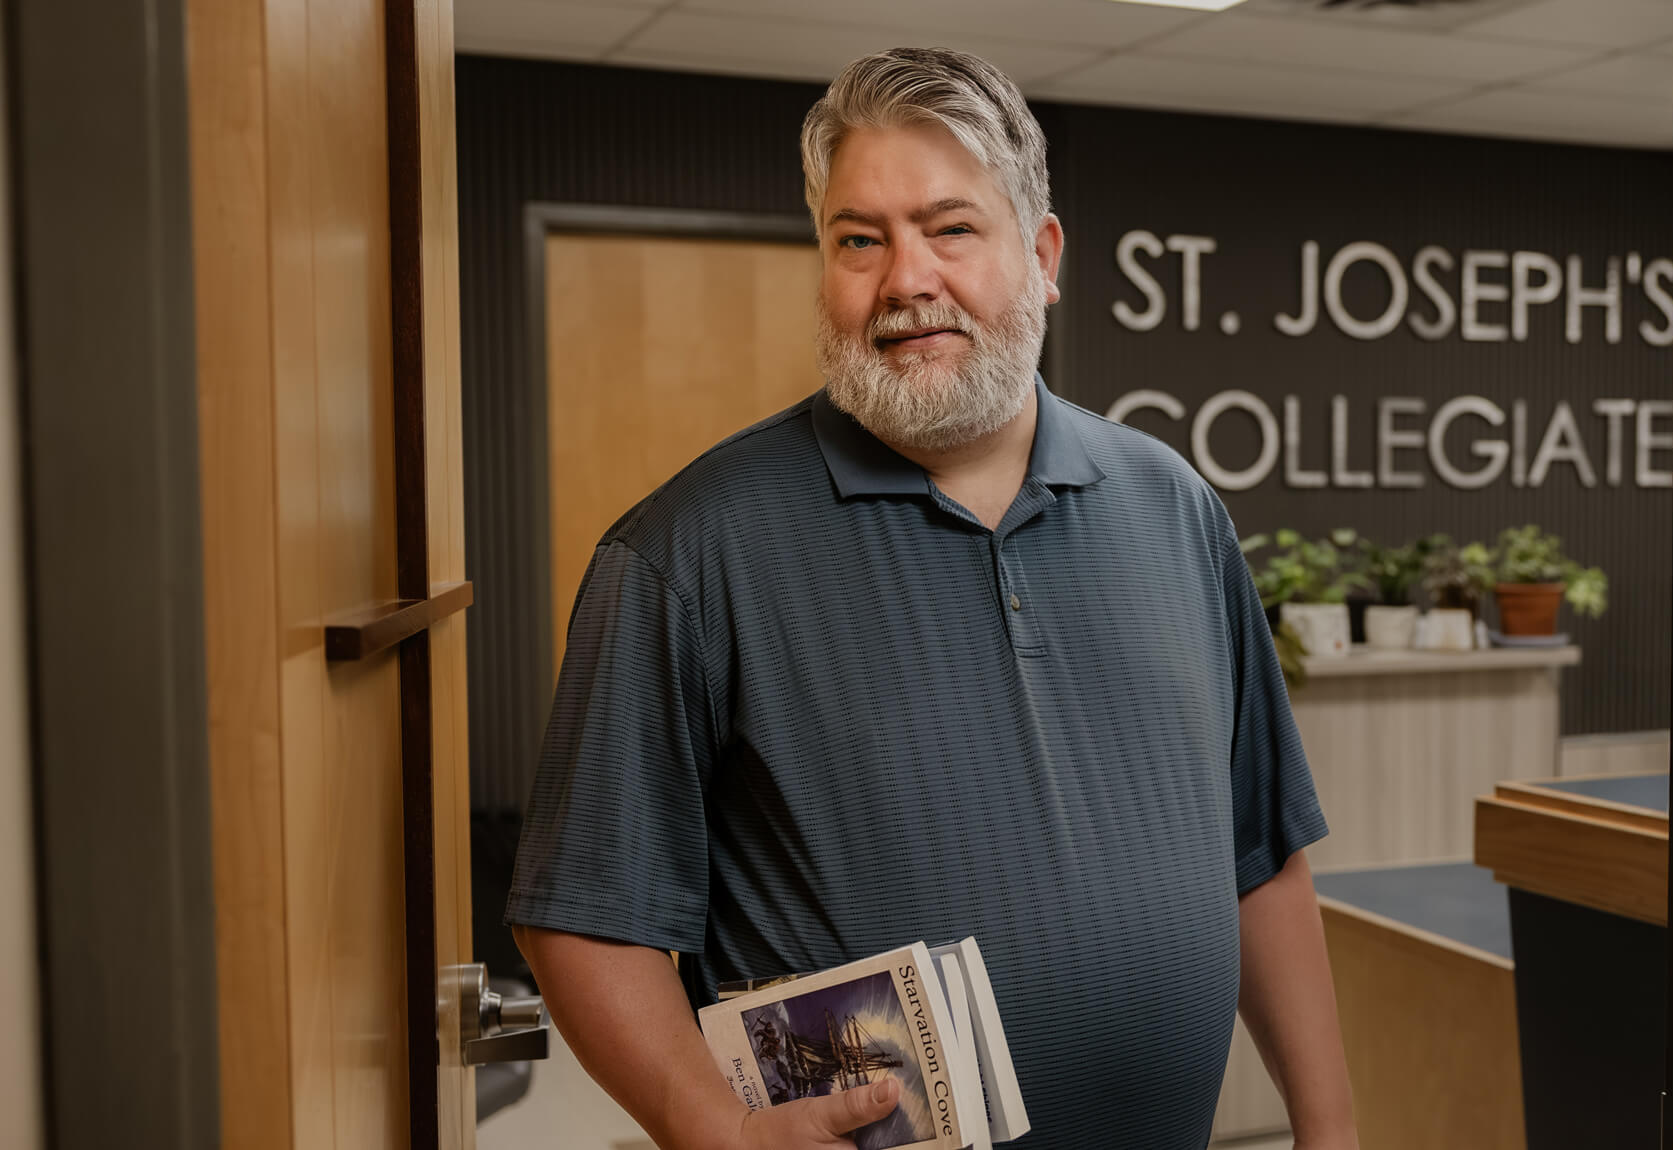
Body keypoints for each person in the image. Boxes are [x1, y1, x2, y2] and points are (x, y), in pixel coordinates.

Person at [505, 47, 1358, 1150]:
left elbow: (1260, 858)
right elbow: (580, 915)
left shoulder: (1176, 511)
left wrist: (1330, 1127)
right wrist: (703, 1123)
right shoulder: (689, 550)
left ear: (1043, 256)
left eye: (951, 228)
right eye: (859, 239)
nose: (905, 279)